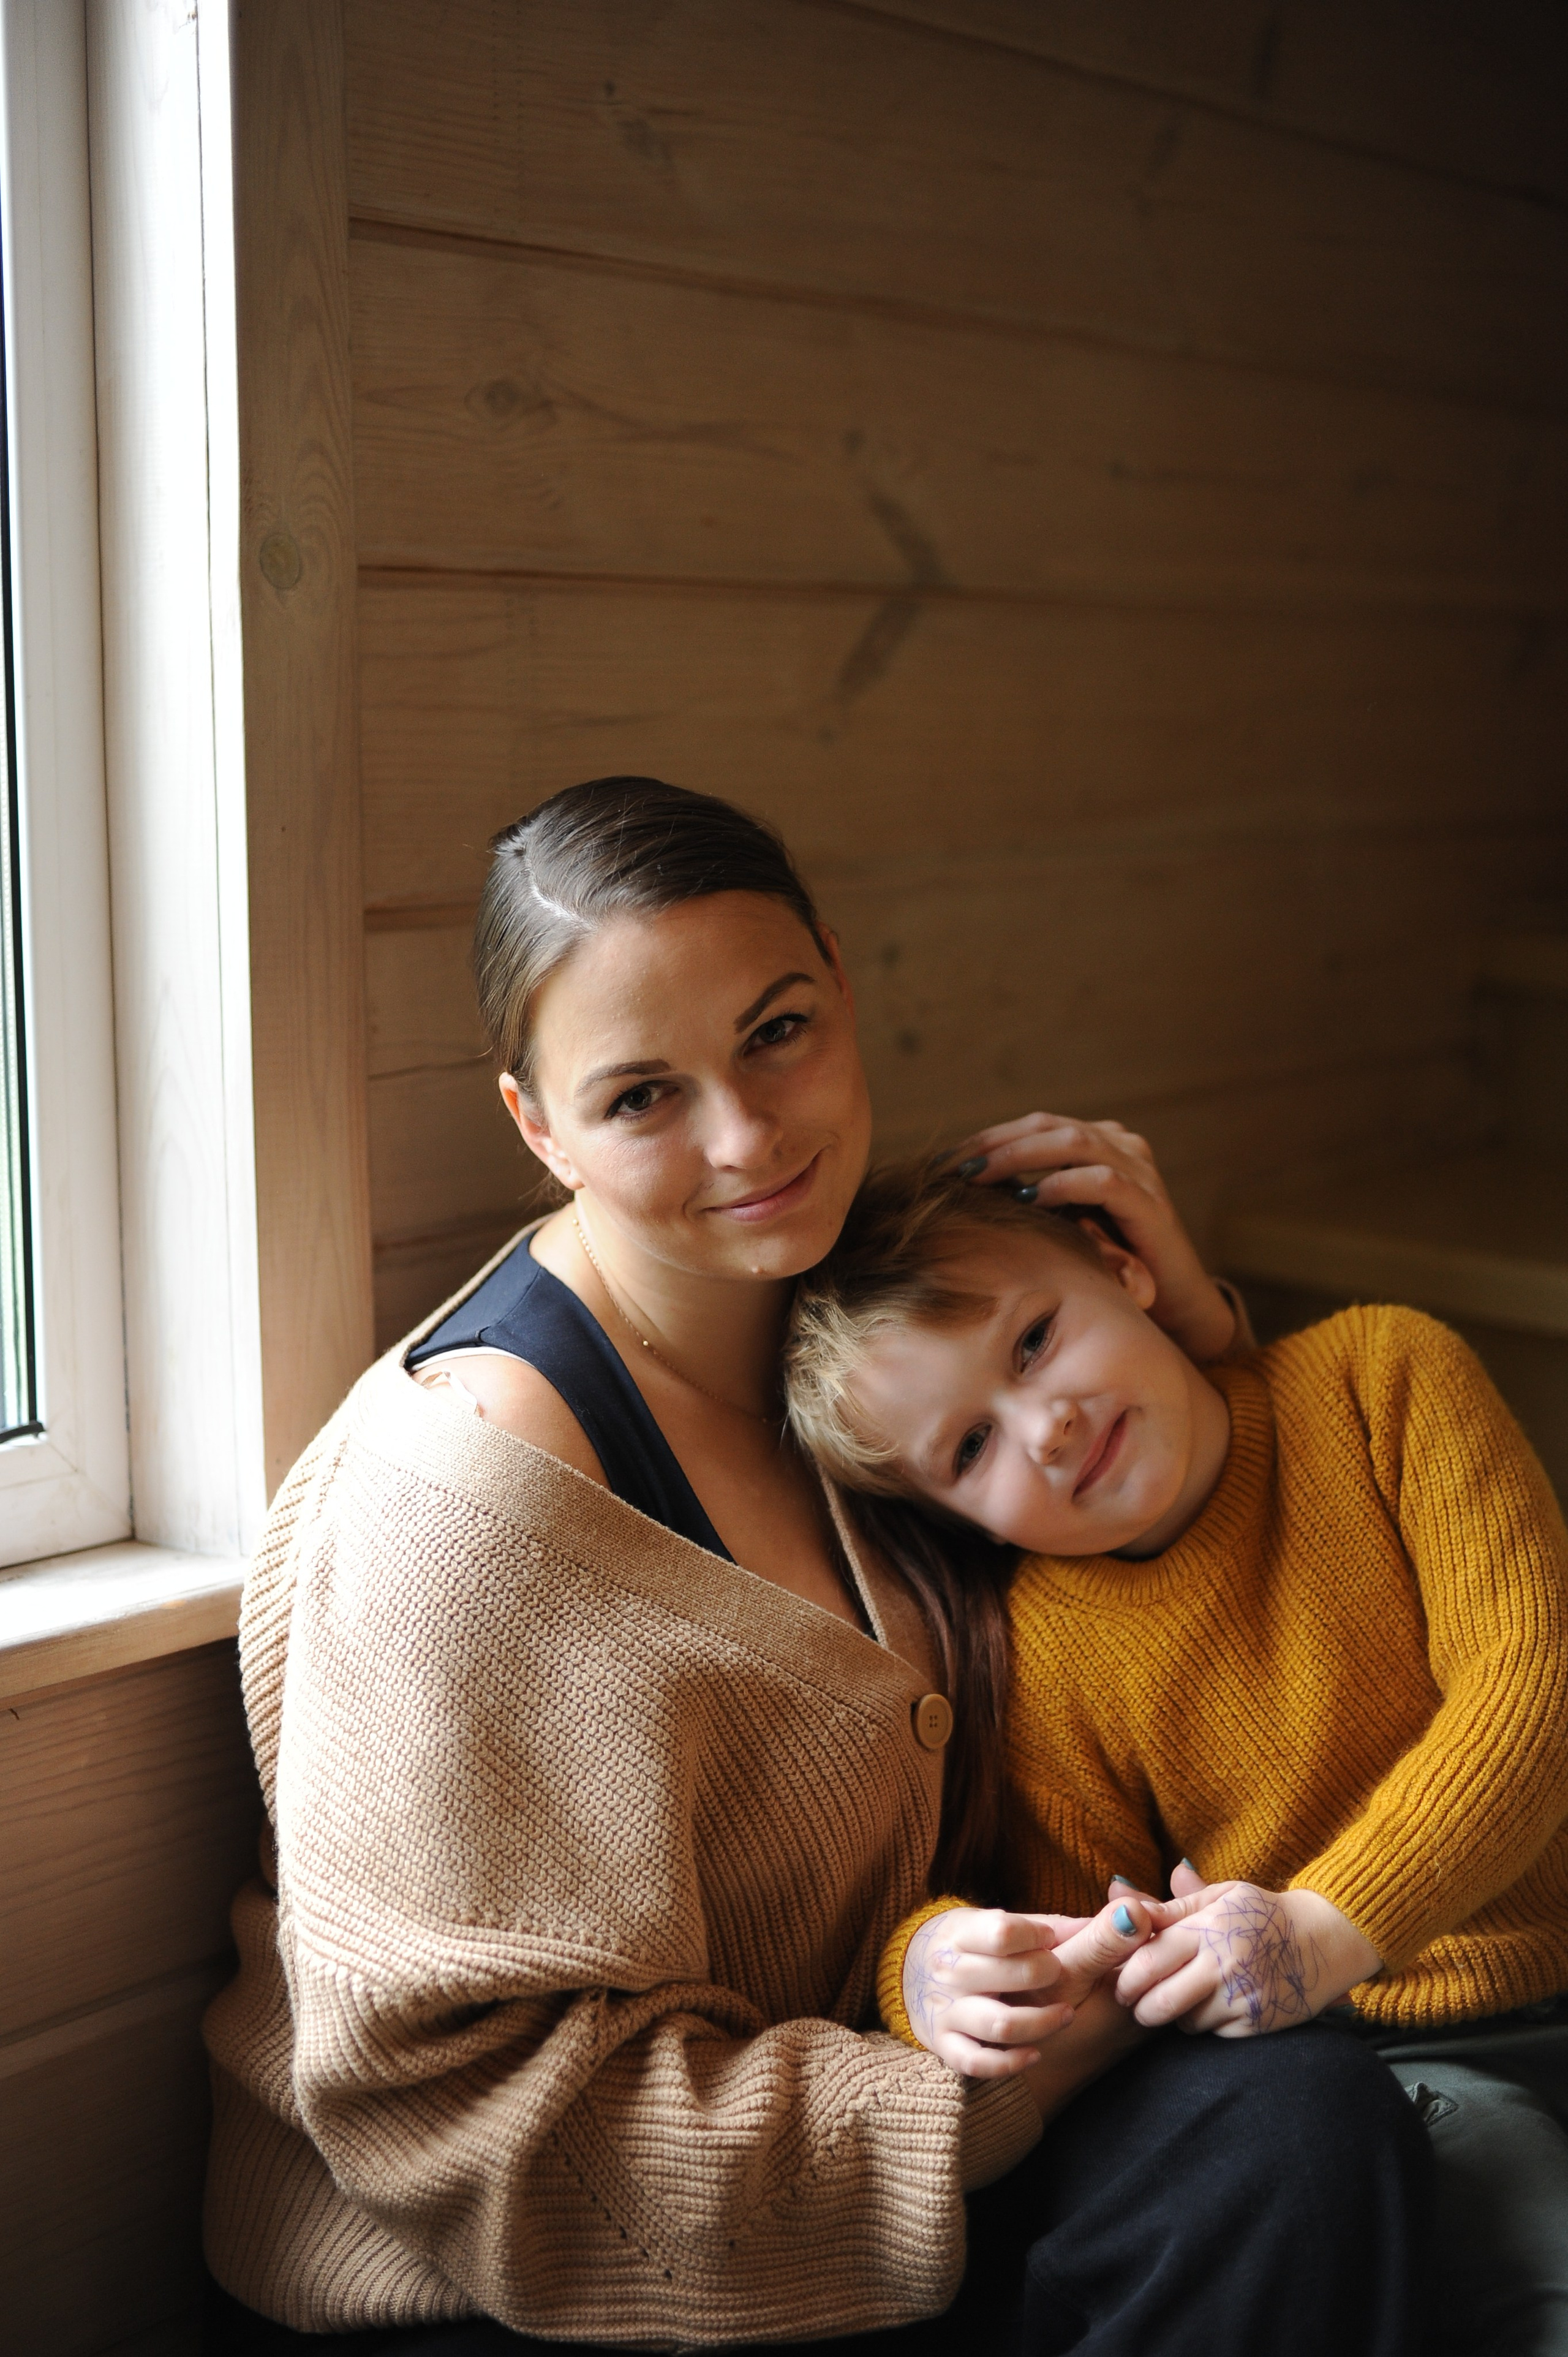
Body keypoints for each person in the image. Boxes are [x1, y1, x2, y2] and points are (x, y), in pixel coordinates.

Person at [202, 777, 1430, 2355]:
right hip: (516, 2269)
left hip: (865, 2133)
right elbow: (473, 2130)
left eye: (775, 1030)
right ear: (536, 1125)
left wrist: (1191, 1349)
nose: (748, 1136)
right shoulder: (473, 1500)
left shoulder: (858, 1325)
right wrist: (977, 2088)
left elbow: (1201, 1641)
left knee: (1298, 2135)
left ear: (839, 983)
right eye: (641, 1096)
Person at [784, 1152, 1568, 2350]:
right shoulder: (1049, 1653)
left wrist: (1323, 1924)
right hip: (1405, 2057)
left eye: (1035, 1338)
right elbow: (1077, 1939)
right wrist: (922, 1965)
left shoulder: (1379, 1375)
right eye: (966, 1450)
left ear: (1122, 1266)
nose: (1041, 1427)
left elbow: (1534, 1688)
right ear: (957, 1521)